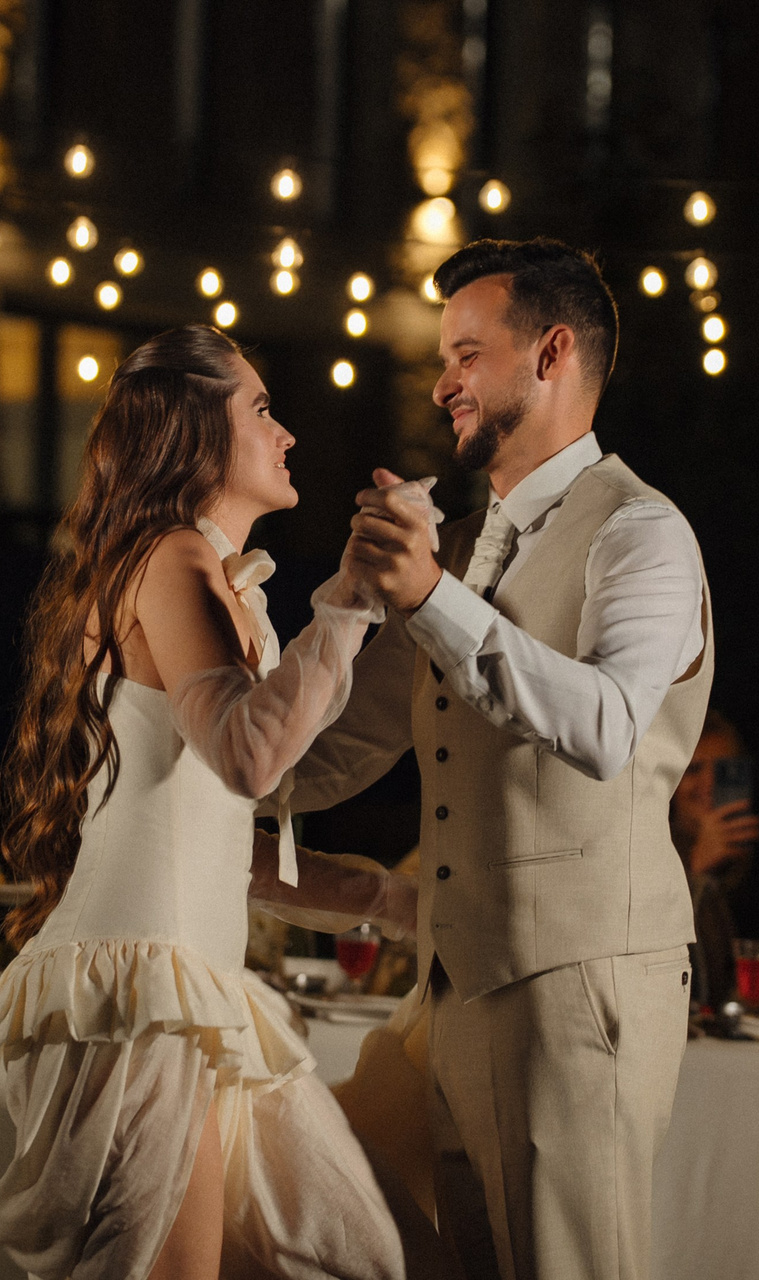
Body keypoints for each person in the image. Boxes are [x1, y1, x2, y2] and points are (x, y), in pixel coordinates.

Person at [287, 237, 712, 1280]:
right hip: (455, 988)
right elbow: (351, 741)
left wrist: (434, 598)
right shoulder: (462, 542)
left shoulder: (643, 532)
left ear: (552, 352)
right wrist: (181, 775)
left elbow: (607, 723)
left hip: (582, 984)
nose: (443, 385)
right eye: (445, 360)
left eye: (467, 355)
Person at [0, 325, 420, 1280]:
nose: (287, 434)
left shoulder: (216, 582)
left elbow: (216, 842)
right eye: (261, 409)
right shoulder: (172, 556)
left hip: (188, 993)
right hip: (140, 1000)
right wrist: (348, 598)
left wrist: (392, 902)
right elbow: (249, 757)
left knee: (350, 1250)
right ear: (197, 436)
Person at [672, 709, 759, 1009]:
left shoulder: (751, 859)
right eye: (694, 769)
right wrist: (695, 872)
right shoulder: (650, 848)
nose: (709, 782)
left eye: (723, 770)